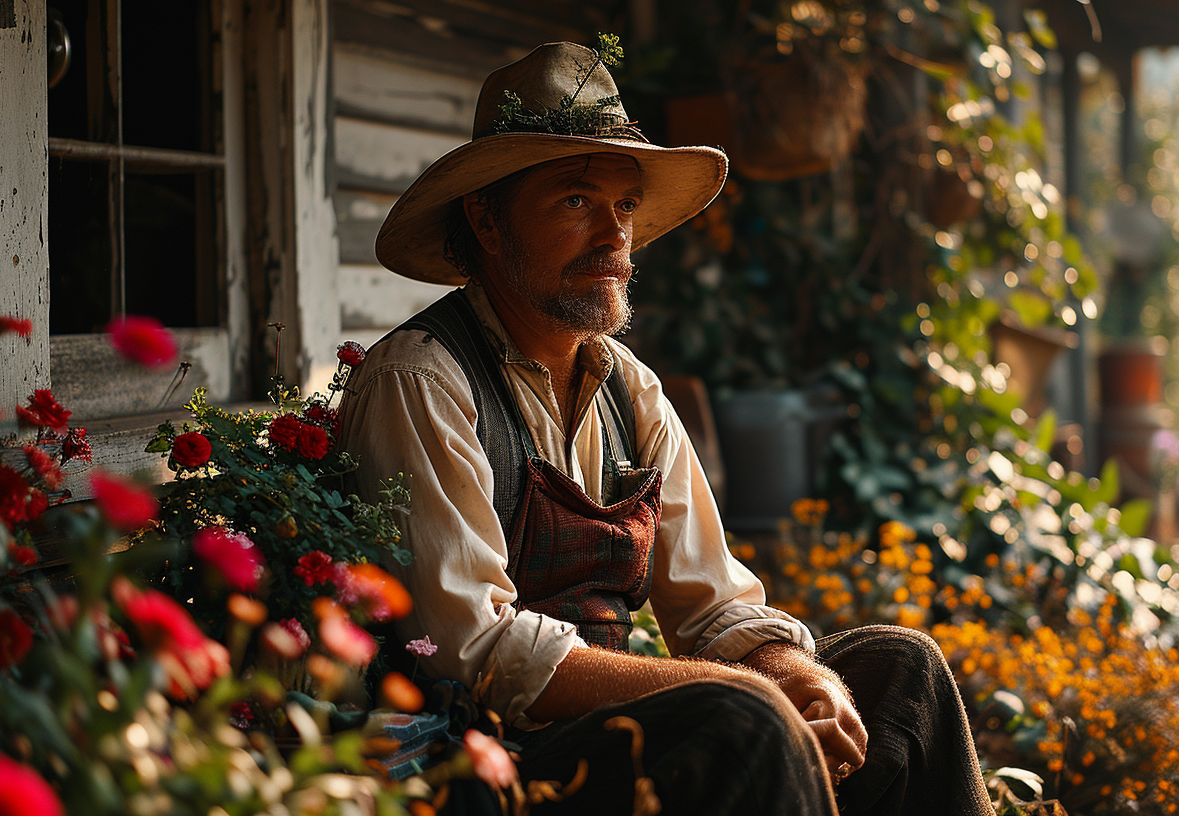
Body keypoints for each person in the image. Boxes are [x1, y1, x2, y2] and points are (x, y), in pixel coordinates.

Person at [339, 40, 995, 816]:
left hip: (608, 733)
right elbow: (474, 651)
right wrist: (741, 690)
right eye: (577, 201)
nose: (615, 235)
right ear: (485, 218)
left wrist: (803, 679)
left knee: (900, 668)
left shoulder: (629, 389)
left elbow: (715, 608)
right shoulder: (422, 379)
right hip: (485, 761)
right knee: (745, 716)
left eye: (623, 206)